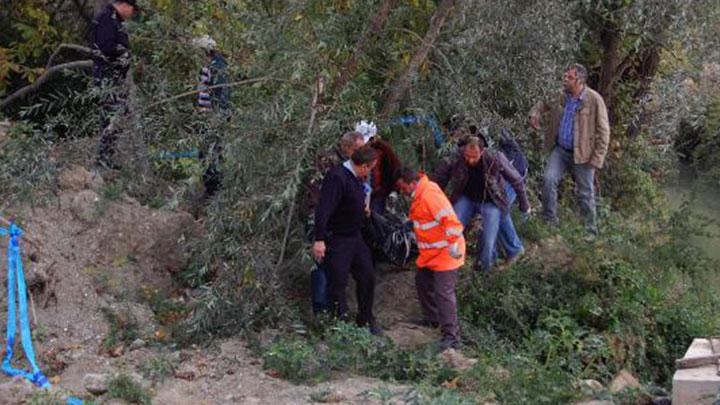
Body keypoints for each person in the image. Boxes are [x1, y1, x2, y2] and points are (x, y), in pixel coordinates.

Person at [528, 63, 610, 235]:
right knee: (549, 181)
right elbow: (542, 103)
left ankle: (590, 232)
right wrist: (534, 114)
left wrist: (596, 159)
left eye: (569, 77)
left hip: (584, 155)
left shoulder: (594, 100)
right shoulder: (561, 95)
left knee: (585, 193)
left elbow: (604, 133)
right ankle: (549, 221)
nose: (565, 79)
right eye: (565, 76)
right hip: (560, 150)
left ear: (579, 80)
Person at [432, 136, 531, 272]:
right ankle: (451, 264)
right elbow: (440, 176)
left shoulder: (495, 158)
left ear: (482, 152)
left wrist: (524, 206)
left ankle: (484, 271)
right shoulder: (456, 157)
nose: (470, 160)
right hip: (466, 198)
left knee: (488, 239)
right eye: (467, 156)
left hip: (491, 201)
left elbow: (517, 180)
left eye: (474, 157)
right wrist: (431, 199)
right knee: (452, 227)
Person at [395, 167, 465, 350]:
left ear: (411, 183)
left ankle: (452, 336)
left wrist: (453, 248)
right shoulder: (421, 194)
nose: (402, 191)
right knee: (423, 282)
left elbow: (452, 223)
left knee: (444, 292)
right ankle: (432, 319)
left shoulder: (429, 195)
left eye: (403, 187)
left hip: (446, 252)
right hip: (432, 253)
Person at [313, 146, 381, 335]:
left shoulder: (356, 178)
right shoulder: (337, 178)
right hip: (337, 238)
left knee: (367, 275)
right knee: (338, 282)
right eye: (371, 168)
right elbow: (323, 209)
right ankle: (340, 325)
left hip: (355, 236)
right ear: (364, 166)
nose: (371, 171)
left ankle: (366, 318)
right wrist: (319, 239)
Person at [302, 131, 366, 314]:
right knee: (322, 263)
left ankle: (336, 310)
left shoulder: (351, 165)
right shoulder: (328, 162)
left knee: (336, 265)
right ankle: (322, 310)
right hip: (319, 217)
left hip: (335, 219)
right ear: (347, 148)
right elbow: (318, 196)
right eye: (358, 149)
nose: (361, 153)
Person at [91, 0, 137, 167]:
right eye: (132, 9)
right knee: (112, 116)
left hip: (115, 78)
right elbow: (105, 47)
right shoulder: (107, 18)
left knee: (119, 115)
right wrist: (125, 53)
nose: (132, 13)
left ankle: (107, 155)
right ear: (125, 5)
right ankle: (103, 158)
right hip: (107, 78)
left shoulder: (115, 19)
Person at [192, 35, 232, 198]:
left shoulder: (217, 66)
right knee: (206, 153)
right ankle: (211, 188)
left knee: (210, 152)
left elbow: (223, 93)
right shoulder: (208, 66)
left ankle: (214, 190)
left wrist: (217, 115)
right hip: (207, 116)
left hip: (213, 118)